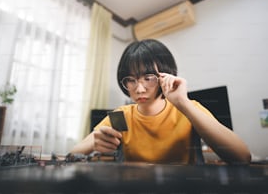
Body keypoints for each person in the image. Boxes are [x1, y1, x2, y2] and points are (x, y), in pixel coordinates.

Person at [70, 39, 251, 164]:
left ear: (164, 75)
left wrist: (184, 103)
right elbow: (73, 153)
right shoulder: (121, 115)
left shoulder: (187, 108)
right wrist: (95, 143)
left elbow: (242, 157)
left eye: (148, 77)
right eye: (131, 80)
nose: (139, 89)